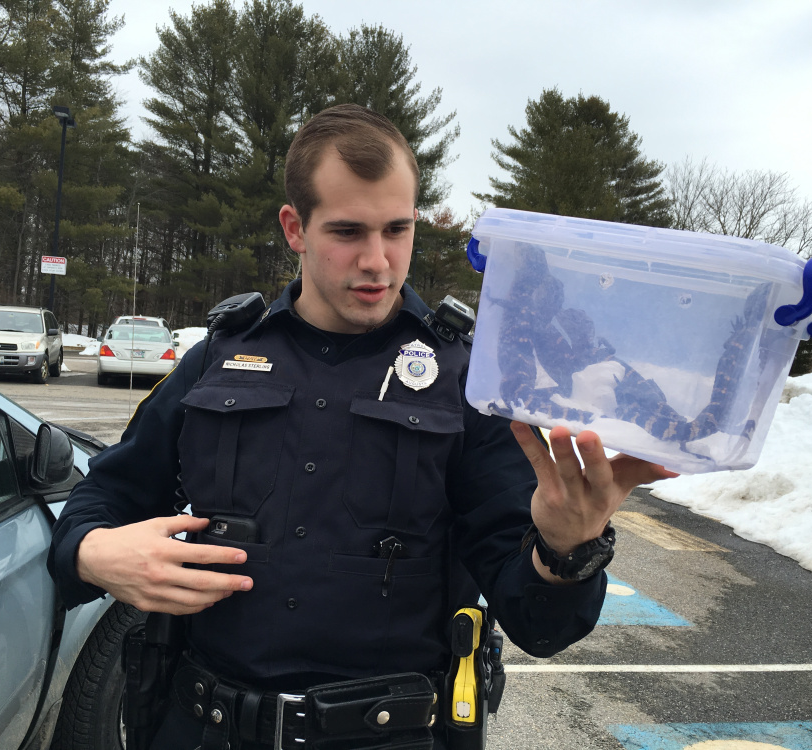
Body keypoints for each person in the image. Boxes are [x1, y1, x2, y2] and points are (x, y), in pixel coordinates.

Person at [47, 103, 677, 750]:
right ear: (295, 227)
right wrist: (95, 552)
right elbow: (105, 497)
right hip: (204, 729)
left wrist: (566, 553)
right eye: (348, 232)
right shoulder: (219, 360)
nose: (378, 260)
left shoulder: (467, 383)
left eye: (397, 230)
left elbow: (539, 624)